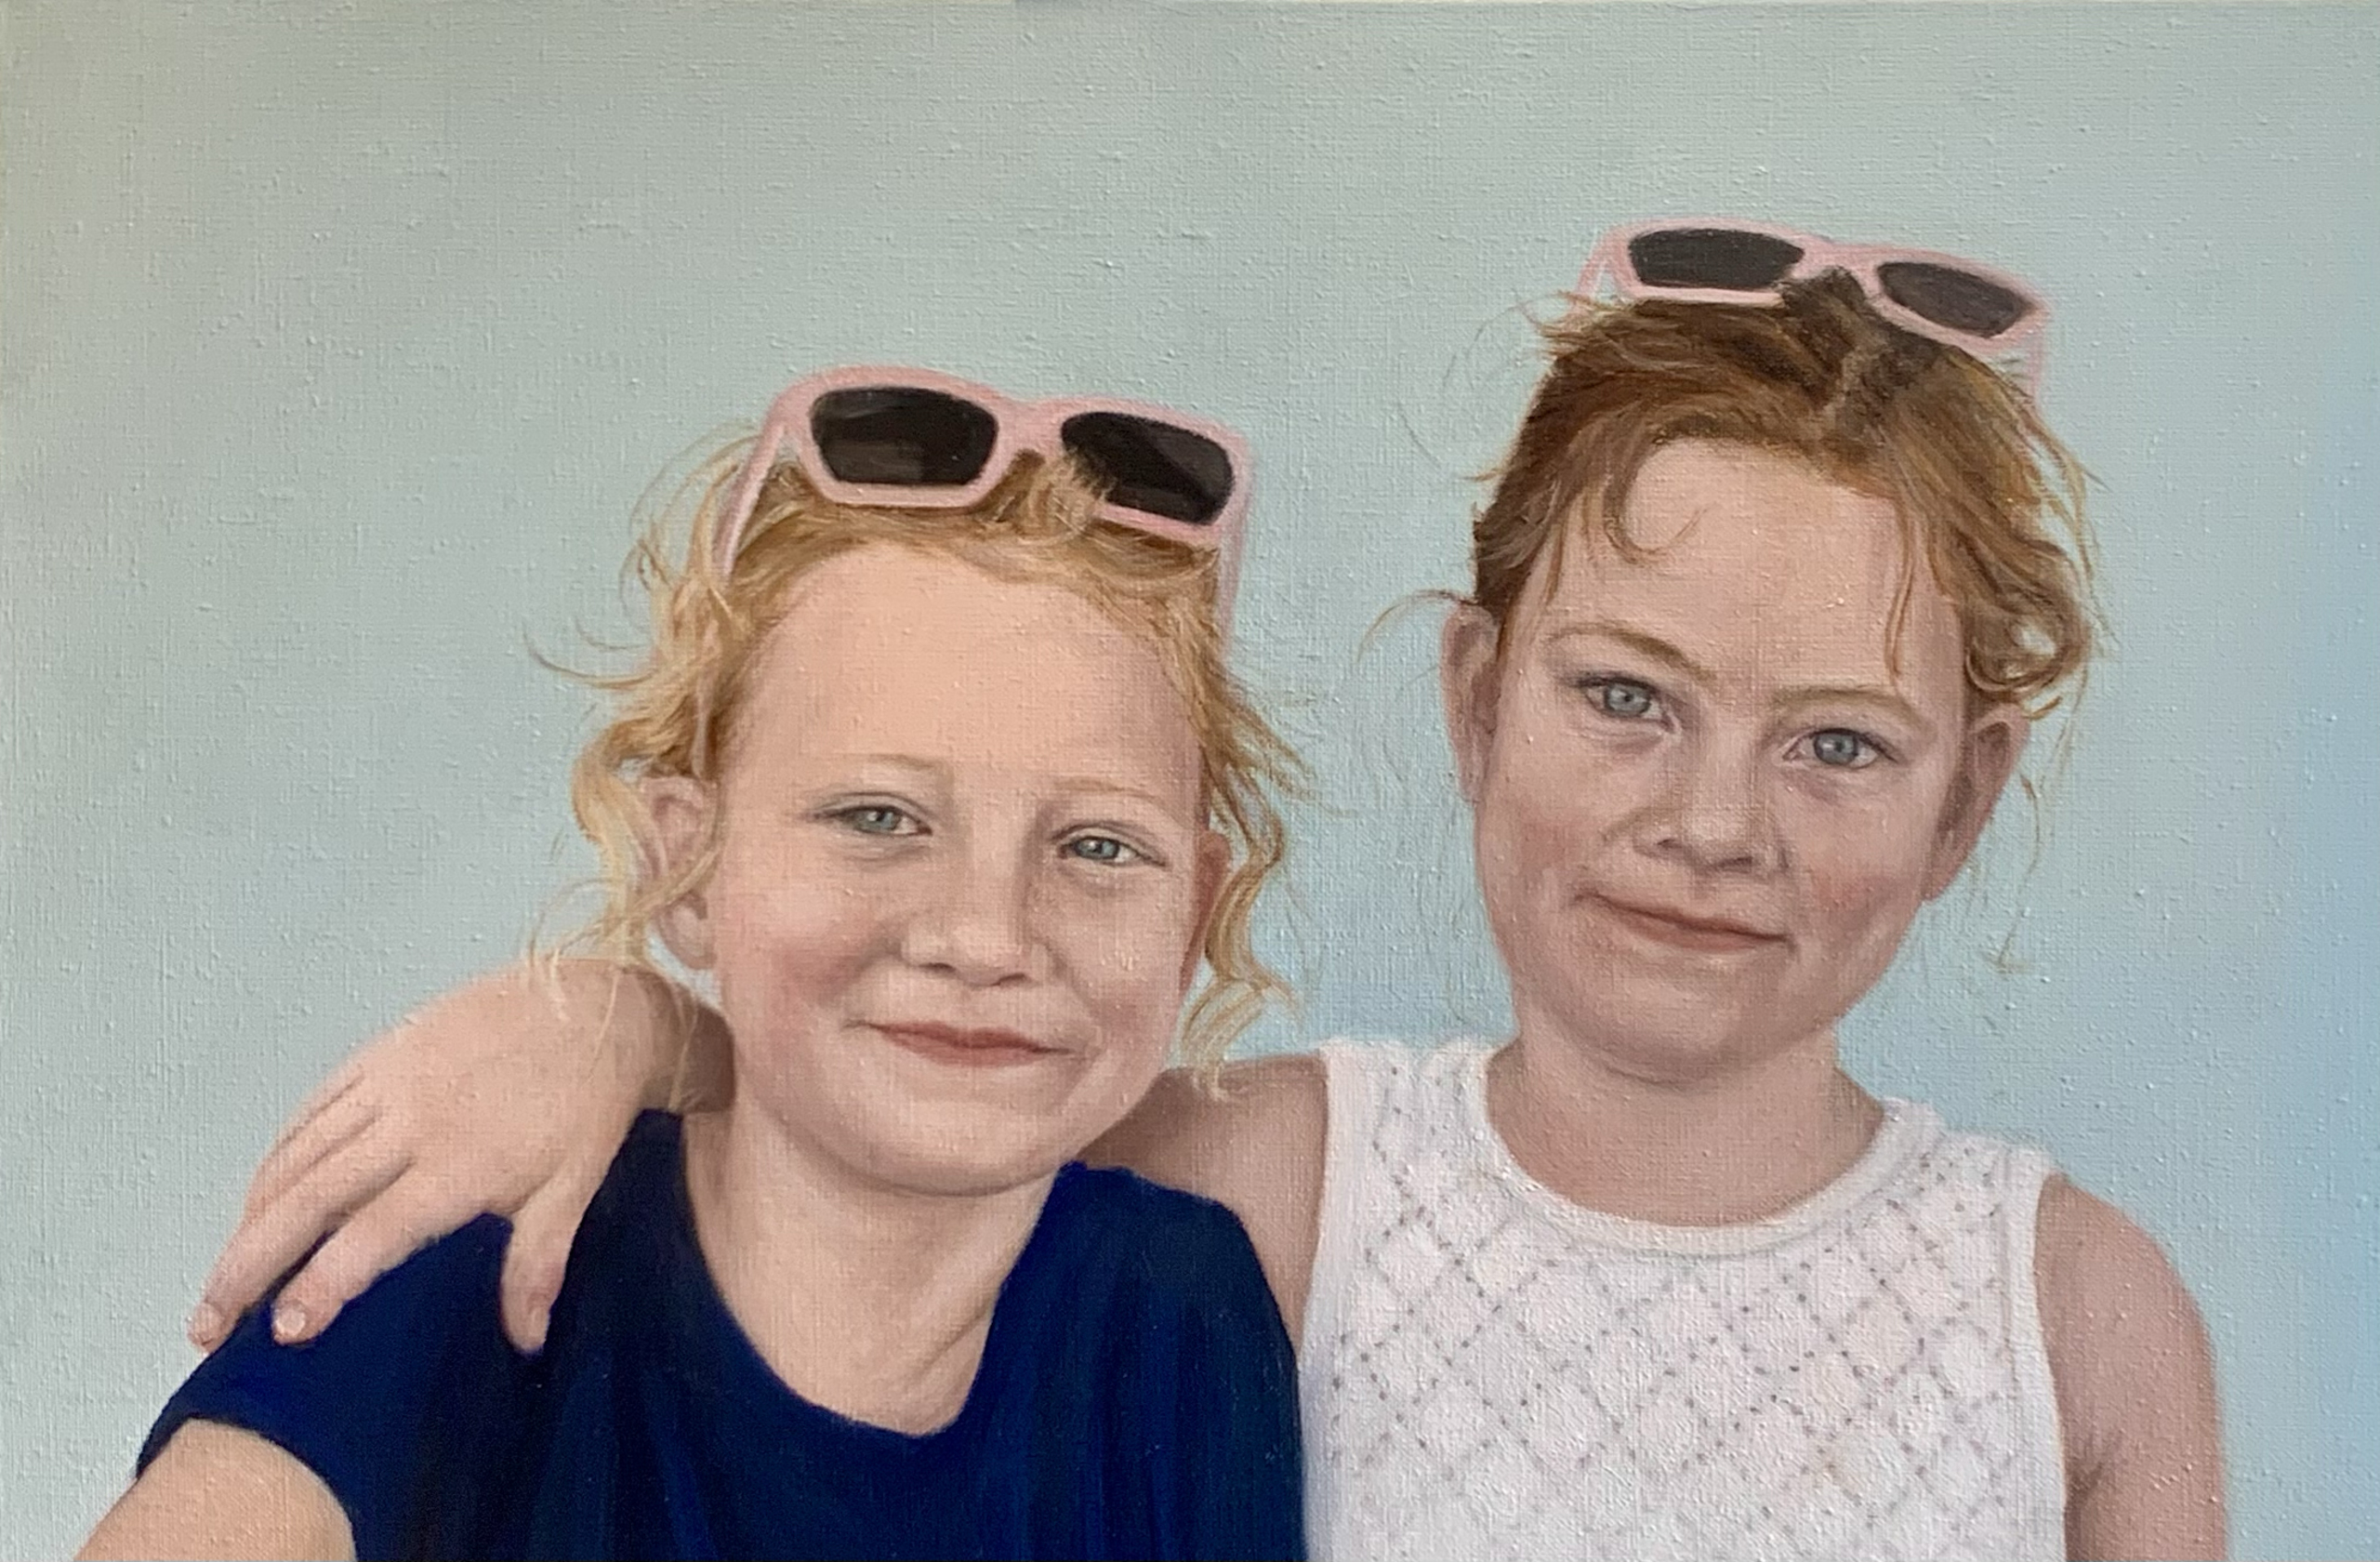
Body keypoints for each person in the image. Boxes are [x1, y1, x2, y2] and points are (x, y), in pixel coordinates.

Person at [186, 223, 2227, 1560]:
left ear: (1966, 798)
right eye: (1625, 697)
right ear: (1474, 697)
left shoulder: (2079, 1313)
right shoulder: (1257, 1180)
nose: (1713, 823)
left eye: (1839, 744)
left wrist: (617, 1014)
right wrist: (602, 1011)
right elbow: (896, 1105)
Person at [81, 368, 1308, 1560]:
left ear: (1193, 914)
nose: (987, 938)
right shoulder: (478, 1252)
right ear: (689, 868)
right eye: (878, 818)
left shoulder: (1179, 1305)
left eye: (1099, 846)